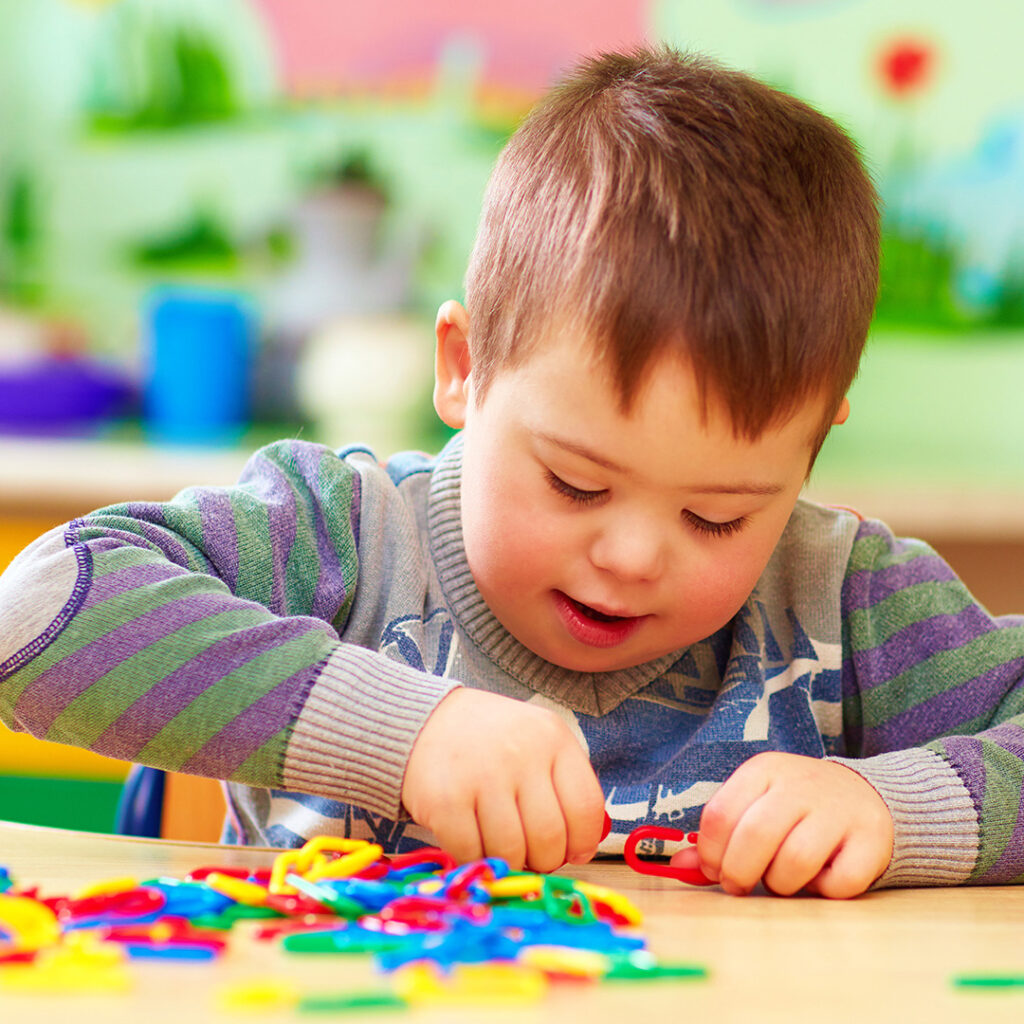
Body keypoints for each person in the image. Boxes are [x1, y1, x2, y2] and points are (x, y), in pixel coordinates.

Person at [1, 46, 1022, 900]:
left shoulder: (852, 601)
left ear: (811, 446)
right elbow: (33, 613)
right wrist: (405, 734)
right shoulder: (344, 535)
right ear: (463, 368)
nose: (628, 556)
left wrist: (901, 807)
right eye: (576, 485)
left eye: (717, 515)